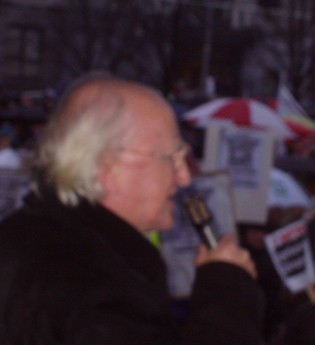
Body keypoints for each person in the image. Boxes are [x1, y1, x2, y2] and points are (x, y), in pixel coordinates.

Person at [0, 73, 264, 345]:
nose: (184, 177)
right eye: (172, 158)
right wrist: (227, 292)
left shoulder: (28, 238)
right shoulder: (90, 285)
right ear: (107, 167)